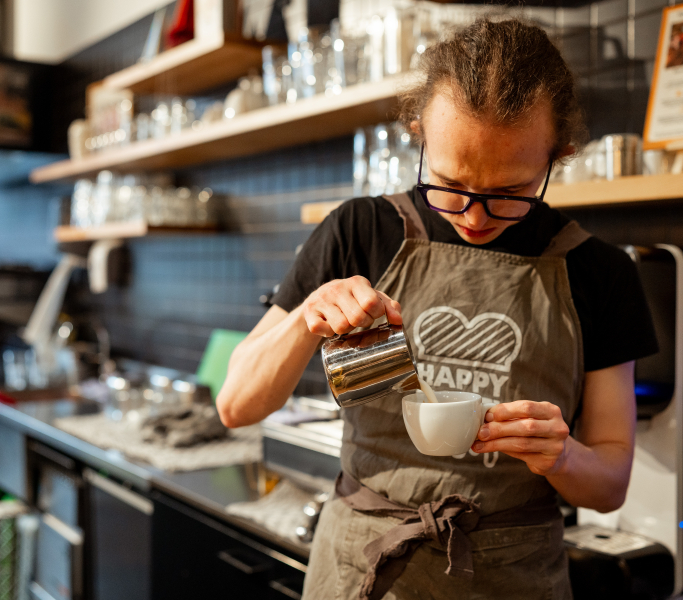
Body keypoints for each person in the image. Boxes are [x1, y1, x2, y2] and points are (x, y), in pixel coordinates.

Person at [216, 17, 658, 600]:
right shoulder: (360, 231)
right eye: (449, 184)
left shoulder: (600, 273)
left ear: (559, 156)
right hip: (360, 570)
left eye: (508, 193)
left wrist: (564, 456)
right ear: (418, 131)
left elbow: (609, 485)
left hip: (512, 576)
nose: (474, 216)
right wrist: (306, 317)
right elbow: (236, 406)